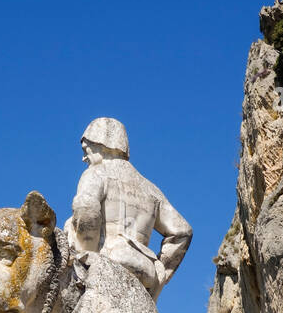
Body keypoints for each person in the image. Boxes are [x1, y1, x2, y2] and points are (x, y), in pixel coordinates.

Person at [64, 117, 192, 301]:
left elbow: (87, 209)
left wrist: (87, 259)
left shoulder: (96, 173)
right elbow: (183, 231)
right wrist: (161, 270)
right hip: (146, 271)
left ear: (103, 144)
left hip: (109, 260)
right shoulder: (150, 189)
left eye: (86, 149)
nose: (84, 157)